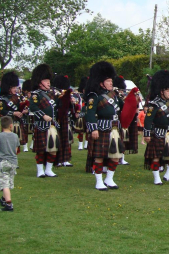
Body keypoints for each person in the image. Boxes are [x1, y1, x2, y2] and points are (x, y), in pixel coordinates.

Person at [84, 61, 124, 190]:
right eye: (108, 80)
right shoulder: (94, 96)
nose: (111, 82)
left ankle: (109, 179)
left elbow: (122, 109)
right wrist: (93, 128)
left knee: (116, 156)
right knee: (99, 156)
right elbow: (89, 113)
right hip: (101, 128)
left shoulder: (115, 95)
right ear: (101, 82)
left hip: (115, 129)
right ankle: (99, 181)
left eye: (111, 80)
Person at [29, 64, 59, 178]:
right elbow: (33, 107)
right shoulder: (35, 94)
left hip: (52, 125)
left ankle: (48, 169)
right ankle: (40, 170)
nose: (48, 83)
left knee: (53, 148)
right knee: (41, 149)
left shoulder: (52, 93)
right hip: (41, 125)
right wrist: (43, 116)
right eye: (46, 80)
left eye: (48, 80)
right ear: (39, 82)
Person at [0, 116, 20, 212]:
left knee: (4, 184)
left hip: (3, 162)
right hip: (13, 162)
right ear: (11, 125)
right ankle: (4, 199)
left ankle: (9, 204)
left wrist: (0, 156)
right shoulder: (15, 136)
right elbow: (16, 150)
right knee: (9, 181)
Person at [0, 71, 29, 154]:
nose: (15, 89)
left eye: (16, 87)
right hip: (8, 123)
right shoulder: (3, 99)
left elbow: (19, 108)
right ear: (8, 87)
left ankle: (14, 160)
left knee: (16, 145)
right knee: (7, 144)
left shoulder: (17, 97)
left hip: (17, 123)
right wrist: (13, 113)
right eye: (13, 87)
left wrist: (24, 111)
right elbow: (2, 111)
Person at [53, 74, 76, 168]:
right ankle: (57, 160)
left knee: (66, 139)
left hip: (65, 118)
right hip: (57, 118)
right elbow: (55, 105)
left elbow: (70, 108)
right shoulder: (54, 94)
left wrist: (72, 102)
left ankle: (65, 159)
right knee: (58, 139)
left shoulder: (67, 94)